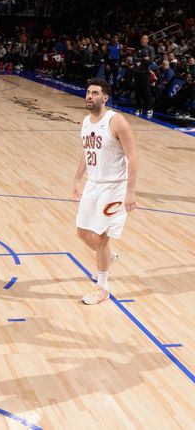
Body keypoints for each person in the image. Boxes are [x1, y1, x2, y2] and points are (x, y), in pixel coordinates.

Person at [73, 78, 139, 305]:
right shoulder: (85, 121)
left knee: (101, 237)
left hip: (115, 187)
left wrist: (130, 191)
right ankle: (108, 258)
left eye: (94, 93)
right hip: (93, 184)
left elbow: (133, 156)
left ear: (105, 97)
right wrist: (77, 178)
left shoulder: (116, 121)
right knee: (82, 232)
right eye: (88, 92)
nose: (89, 96)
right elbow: (87, 151)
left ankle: (102, 287)